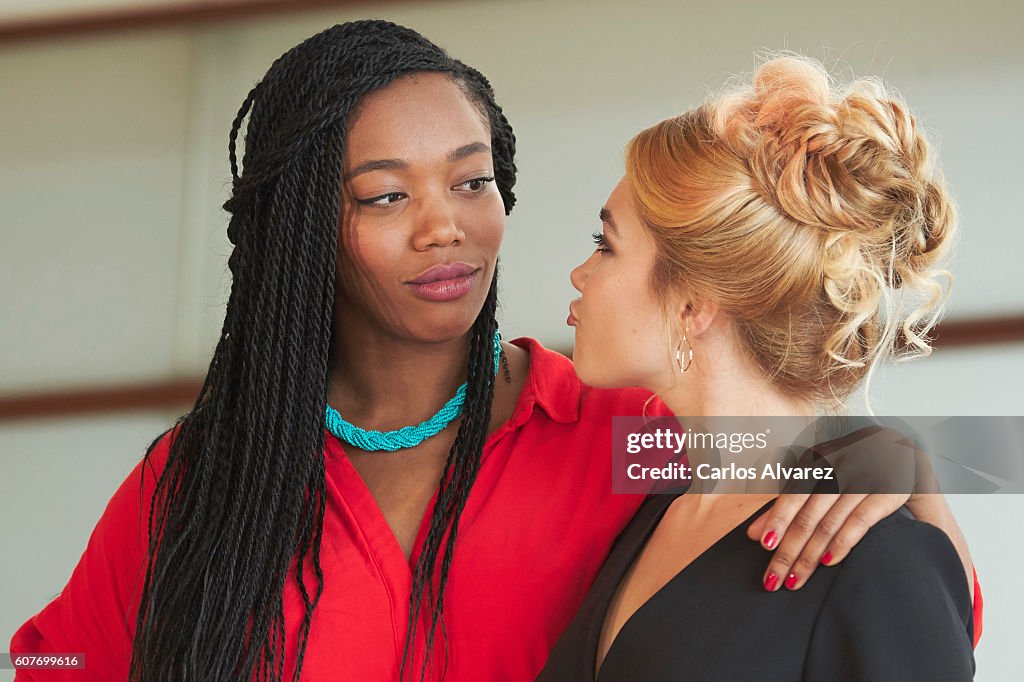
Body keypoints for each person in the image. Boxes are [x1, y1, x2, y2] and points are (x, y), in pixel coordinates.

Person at [10, 24, 978, 682]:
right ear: (302, 232)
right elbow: (53, 663)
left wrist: (904, 457)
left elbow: (883, 583)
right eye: (385, 195)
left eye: (472, 181)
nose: (447, 228)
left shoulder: (616, 442)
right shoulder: (208, 478)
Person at [540, 55, 976, 680]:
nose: (581, 275)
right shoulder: (650, 501)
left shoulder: (882, 556)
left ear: (694, 304)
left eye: (605, 245)